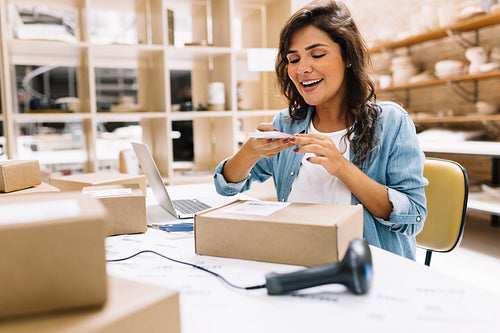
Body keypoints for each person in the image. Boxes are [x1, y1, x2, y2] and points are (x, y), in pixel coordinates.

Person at [214, 0, 427, 260]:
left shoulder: (391, 122)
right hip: (296, 257)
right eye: (293, 59)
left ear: (348, 56)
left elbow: (414, 216)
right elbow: (227, 187)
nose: (302, 68)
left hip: (367, 268)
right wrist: (249, 151)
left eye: (317, 54)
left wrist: (343, 168)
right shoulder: (286, 124)